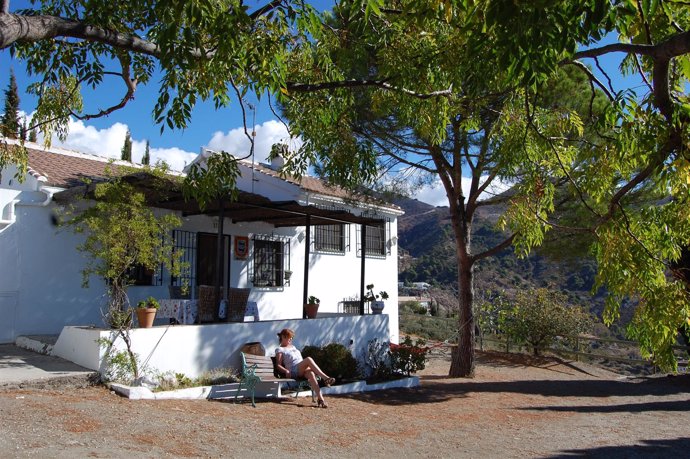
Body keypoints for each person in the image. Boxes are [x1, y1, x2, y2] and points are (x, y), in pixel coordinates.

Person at [274, 328, 335, 408]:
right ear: (283, 337)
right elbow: (278, 365)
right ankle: (325, 378)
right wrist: (286, 371)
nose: (291, 339)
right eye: (289, 337)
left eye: (292, 337)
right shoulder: (280, 349)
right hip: (293, 370)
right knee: (309, 359)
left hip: (302, 369)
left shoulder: (293, 347)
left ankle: (321, 400)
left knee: (311, 374)